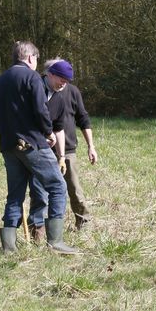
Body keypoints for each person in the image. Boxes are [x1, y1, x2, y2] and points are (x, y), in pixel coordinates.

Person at [0, 40, 78, 254]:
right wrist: (48, 132)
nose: (37, 63)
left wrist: (10, 136)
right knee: (57, 186)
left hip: (9, 145)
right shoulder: (32, 77)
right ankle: (55, 241)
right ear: (30, 57)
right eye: (36, 59)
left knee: (15, 195)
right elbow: (41, 110)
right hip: (32, 143)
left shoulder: (1, 80)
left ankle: (9, 248)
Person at [29, 59, 98, 232]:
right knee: (39, 191)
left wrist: (91, 146)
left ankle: (83, 222)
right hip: (41, 149)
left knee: (74, 188)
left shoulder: (72, 92)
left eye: (66, 79)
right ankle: (37, 228)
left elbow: (83, 118)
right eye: (61, 78)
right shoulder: (37, 90)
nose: (63, 82)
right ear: (50, 74)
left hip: (67, 149)